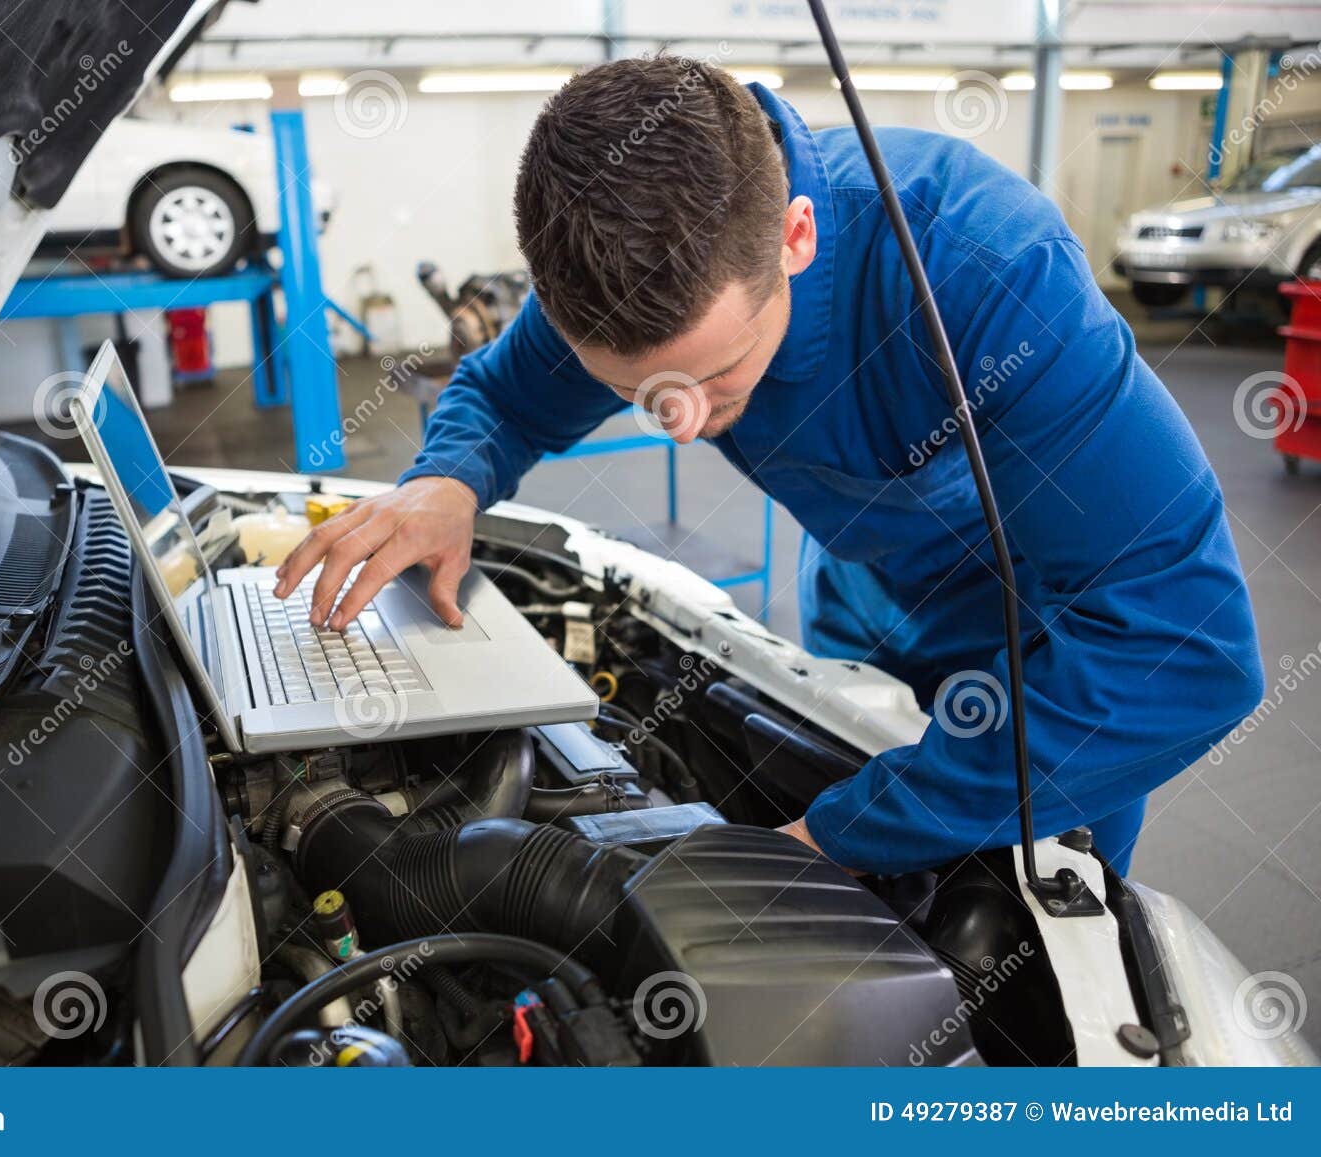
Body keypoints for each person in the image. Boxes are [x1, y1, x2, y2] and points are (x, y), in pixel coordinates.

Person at [274, 56, 1262, 876]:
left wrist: (832, 837)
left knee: (1025, 922)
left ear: (796, 235)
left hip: (1042, 649)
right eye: (638, 391)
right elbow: (502, 394)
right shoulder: (619, 273)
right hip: (855, 602)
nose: (681, 425)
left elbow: (1185, 645)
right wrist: (446, 481)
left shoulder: (983, 271)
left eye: (715, 375)